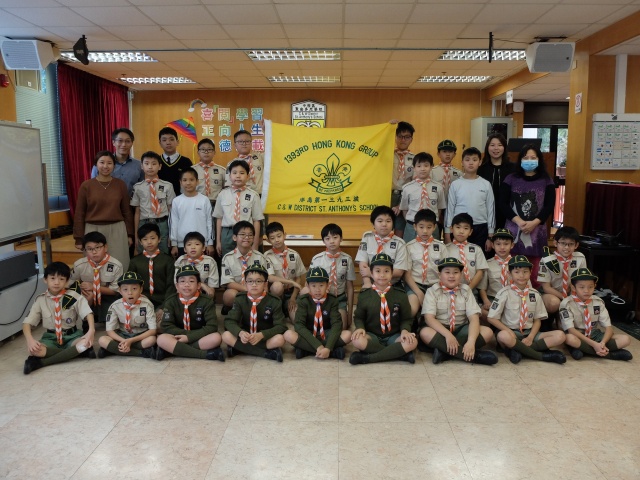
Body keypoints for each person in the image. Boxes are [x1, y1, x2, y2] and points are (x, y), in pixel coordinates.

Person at [487, 255, 566, 364]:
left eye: (525, 272)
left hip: (529, 332)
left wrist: (531, 337)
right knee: (502, 336)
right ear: (509, 274)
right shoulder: (504, 293)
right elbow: (491, 318)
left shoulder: (535, 294)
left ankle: (517, 350)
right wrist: (508, 331)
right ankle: (541, 356)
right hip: (512, 333)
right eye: (517, 272)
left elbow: (537, 320)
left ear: (530, 273)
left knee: (560, 336)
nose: (521, 275)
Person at [420, 257, 498, 365]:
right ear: (439, 275)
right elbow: (429, 319)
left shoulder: (466, 291)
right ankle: (475, 356)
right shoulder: (432, 291)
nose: (451, 276)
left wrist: (471, 342)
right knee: (425, 333)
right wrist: (448, 335)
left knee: (488, 332)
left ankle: (443, 352)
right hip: (441, 330)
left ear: (461, 275)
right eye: (447, 272)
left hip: (461, 330)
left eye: (456, 272)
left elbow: (474, 319)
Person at [22, 262, 96, 375]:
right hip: (51, 338)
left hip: (72, 336)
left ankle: (42, 362)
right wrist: (30, 340)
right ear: (45, 279)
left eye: (61, 279)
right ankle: (72, 353)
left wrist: (91, 330)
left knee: (85, 344)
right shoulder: (40, 300)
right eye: (52, 278)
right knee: (35, 350)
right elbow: (27, 323)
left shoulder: (74, 297)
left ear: (67, 281)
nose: (57, 282)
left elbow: (88, 313)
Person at [500, 143, 555, 281]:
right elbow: (502, 203)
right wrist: (519, 221)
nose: (529, 160)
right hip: (514, 230)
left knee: (534, 273)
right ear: (520, 160)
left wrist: (534, 223)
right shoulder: (510, 178)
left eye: (533, 157)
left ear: (539, 159)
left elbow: (549, 205)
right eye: (526, 158)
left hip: (537, 231)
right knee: (513, 271)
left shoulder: (546, 180)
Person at [349, 253, 417, 365]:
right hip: (372, 335)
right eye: (378, 271)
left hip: (394, 336)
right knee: (357, 340)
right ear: (371, 273)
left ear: (391, 274)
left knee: (412, 342)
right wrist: (360, 328)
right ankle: (399, 354)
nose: (382, 275)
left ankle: (368, 358)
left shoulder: (400, 295)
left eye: (386, 271)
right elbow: (359, 317)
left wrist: (405, 330)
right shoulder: (364, 295)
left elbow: (406, 318)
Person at [74, 150, 134, 271]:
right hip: (92, 229)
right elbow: (80, 213)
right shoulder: (86, 185)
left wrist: (129, 234)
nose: (105, 166)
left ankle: (119, 284)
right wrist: (79, 238)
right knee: (93, 266)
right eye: (102, 162)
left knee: (120, 263)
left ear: (114, 165)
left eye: (109, 163)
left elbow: (126, 211)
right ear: (96, 164)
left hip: (117, 229)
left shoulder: (120, 185)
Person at [155, 265, 224, 361]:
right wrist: (185, 335)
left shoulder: (207, 301)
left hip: (199, 336)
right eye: (182, 281)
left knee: (216, 338)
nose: (187, 284)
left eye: (191, 281)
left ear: (198, 285)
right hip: (177, 336)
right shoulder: (171, 301)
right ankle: (205, 355)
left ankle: (173, 350)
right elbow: (166, 325)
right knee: (161, 339)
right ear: (177, 286)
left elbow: (212, 326)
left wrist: (189, 337)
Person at [561, 268, 632, 361]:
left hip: (594, 334)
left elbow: (609, 328)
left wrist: (602, 343)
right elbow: (571, 330)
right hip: (578, 334)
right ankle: (611, 355)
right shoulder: (567, 303)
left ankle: (584, 350)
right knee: (569, 338)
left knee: (626, 339)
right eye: (582, 287)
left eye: (590, 287)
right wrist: (594, 344)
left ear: (595, 286)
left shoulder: (598, 302)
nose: (586, 290)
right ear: (573, 287)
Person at [222, 264, 287, 362]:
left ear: (265, 284)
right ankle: (266, 353)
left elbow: (281, 326)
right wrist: (240, 333)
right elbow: (229, 321)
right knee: (226, 335)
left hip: (264, 337)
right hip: (245, 337)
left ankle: (238, 349)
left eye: (258, 281)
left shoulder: (274, 301)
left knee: (280, 339)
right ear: (245, 284)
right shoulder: (240, 299)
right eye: (250, 281)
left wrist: (262, 335)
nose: (254, 284)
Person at [285, 267, 351, 359]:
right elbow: (299, 326)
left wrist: (328, 347)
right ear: (307, 286)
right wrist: (318, 346)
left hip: (326, 333)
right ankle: (332, 352)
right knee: (288, 334)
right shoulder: (303, 301)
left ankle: (307, 350)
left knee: (348, 335)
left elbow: (336, 325)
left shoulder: (332, 300)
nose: (317, 290)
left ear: (327, 285)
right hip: (309, 333)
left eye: (321, 285)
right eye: (313, 286)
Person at [445, 146, 495, 251]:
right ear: (462, 162)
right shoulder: (456, 184)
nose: (471, 163)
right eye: (467, 160)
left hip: (481, 228)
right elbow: (450, 210)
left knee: (478, 258)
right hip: (460, 228)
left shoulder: (486, 184)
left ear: (480, 162)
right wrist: (447, 232)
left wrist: (490, 235)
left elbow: (491, 210)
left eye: (474, 160)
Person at [97, 272, 157, 359]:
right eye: (125, 289)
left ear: (141, 289)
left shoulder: (147, 305)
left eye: (134, 288)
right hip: (122, 335)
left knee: (151, 340)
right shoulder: (115, 306)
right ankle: (141, 352)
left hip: (140, 335)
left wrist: (131, 341)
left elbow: (152, 330)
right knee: (102, 340)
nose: (130, 293)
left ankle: (113, 350)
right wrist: (124, 341)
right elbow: (110, 331)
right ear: (120, 291)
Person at [69, 231, 123, 325]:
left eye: (97, 247)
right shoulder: (79, 265)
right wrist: (81, 288)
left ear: (105, 247)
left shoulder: (116, 265)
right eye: (89, 249)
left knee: (110, 321)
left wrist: (93, 287)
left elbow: (115, 291)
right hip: (88, 294)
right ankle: (86, 321)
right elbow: (70, 283)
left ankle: (103, 317)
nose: (94, 252)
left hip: (108, 296)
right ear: (85, 250)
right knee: (87, 295)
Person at [308, 223, 356, 330]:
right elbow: (308, 284)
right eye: (327, 238)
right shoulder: (317, 259)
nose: (332, 241)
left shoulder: (347, 259)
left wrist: (349, 314)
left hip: (339, 299)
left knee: (342, 327)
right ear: (323, 241)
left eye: (335, 237)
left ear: (341, 239)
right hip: (321, 298)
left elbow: (350, 287)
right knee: (316, 325)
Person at [220, 221, 275, 313]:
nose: (246, 237)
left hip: (257, 290)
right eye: (242, 234)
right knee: (229, 294)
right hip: (238, 291)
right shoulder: (227, 258)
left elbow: (266, 278)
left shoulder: (260, 257)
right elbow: (228, 282)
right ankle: (233, 310)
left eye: (250, 235)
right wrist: (247, 289)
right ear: (234, 237)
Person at [214, 159, 264, 258]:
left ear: (248, 176)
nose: (238, 176)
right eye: (234, 173)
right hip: (227, 233)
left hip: (246, 234)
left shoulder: (253, 195)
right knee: (228, 260)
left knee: (247, 260)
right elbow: (219, 218)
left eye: (242, 173)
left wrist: (255, 244)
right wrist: (218, 241)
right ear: (229, 176)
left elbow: (256, 220)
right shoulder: (222, 194)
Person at [403, 209, 446, 319]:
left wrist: (439, 288)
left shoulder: (441, 247)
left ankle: (425, 326)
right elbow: (407, 274)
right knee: (412, 309)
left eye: (429, 227)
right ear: (415, 227)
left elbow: (445, 271)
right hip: (415, 285)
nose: (425, 231)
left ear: (434, 227)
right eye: (421, 227)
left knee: (438, 311)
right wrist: (418, 292)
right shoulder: (409, 247)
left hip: (436, 285)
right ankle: (409, 326)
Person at [127, 223, 176, 320]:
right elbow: (130, 285)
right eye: (145, 239)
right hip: (141, 302)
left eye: (152, 238)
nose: (149, 242)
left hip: (163, 302)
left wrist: (163, 307)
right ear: (140, 242)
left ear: (159, 239)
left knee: (163, 322)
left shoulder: (168, 260)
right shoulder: (135, 261)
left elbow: (171, 287)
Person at [130, 151, 175, 254]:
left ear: (160, 166)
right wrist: (136, 235)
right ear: (142, 166)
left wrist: (172, 234)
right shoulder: (137, 187)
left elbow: (171, 210)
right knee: (144, 253)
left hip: (162, 224)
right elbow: (137, 212)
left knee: (163, 252)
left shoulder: (168, 186)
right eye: (146, 163)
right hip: (144, 223)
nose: (150, 167)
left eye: (154, 164)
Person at [537, 226, 586, 320]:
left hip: (571, 293)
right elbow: (546, 288)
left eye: (571, 244)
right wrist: (565, 298)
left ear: (576, 245)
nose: (566, 247)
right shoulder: (547, 260)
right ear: (555, 243)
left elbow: (582, 281)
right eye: (563, 243)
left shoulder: (580, 258)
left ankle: (563, 319)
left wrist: (575, 297)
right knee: (554, 303)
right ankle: (549, 319)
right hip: (551, 293)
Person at [356, 205, 409, 289]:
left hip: (392, 285)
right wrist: (367, 282)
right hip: (370, 283)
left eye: (388, 221)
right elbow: (363, 264)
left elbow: (399, 271)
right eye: (380, 221)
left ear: (393, 223)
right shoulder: (367, 238)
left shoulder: (400, 243)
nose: (384, 224)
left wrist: (373, 273)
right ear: (373, 223)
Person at [263, 222, 306, 321]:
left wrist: (293, 298)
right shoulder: (267, 256)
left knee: (296, 319)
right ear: (268, 240)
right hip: (276, 294)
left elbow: (298, 278)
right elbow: (270, 277)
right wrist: (290, 281)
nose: (277, 240)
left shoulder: (294, 254)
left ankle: (288, 309)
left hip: (291, 293)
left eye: (279, 236)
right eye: (272, 238)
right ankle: (276, 308)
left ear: (285, 235)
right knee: (277, 286)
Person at [400, 152, 446, 242]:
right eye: (419, 166)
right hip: (412, 227)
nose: (422, 169)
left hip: (431, 227)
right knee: (410, 249)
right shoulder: (407, 188)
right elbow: (404, 209)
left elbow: (439, 208)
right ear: (414, 167)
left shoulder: (439, 187)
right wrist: (414, 223)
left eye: (426, 165)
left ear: (431, 167)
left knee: (433, 250)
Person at [169, 167, 213, 258]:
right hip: (182, 245)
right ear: (180, 182)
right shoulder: (176, 201)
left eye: (191, 180)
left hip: (202, 244)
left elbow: (210, 222)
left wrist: (210, 243)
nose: (188, 183)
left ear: (197, 182)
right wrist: (174, 244)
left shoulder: (204, 200)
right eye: (185, 180)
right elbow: (173, 223)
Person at [479, 133, 515, 232]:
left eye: (499, 145)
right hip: (485, 214)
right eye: (492, 145)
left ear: (504, 148)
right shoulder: (481, 169)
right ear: (487, 147)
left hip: (508, 213)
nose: (496, 148)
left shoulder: (513, 168)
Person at [91, 128, 143, 196]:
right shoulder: (100, 165)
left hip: (131, 202)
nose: (124, 144)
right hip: (106, 202)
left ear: (132, 143)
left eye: (127, 141)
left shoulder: (139, 165)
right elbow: (94, 187)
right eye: (120, 141)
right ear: (113, 142)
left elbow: (142, 189)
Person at [444, 213, 488, 290]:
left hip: (471, 290)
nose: (461, 231)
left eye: (466, 228)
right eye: (458, 227)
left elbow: (480, 272)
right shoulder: (444, 249)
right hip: (448, 289)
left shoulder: (477, 249)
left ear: (470, 232)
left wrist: (468, 289)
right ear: (451, 229)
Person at [479, 228, 514, 319]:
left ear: (512, 245)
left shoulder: (517, 264)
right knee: (482, 311)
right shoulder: (487, 264)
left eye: (506, 244)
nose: (502, 247)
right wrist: (486, 301)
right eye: (498, 244)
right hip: (494, 299)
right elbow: (482, 288)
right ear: (493, 245)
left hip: (514, 297)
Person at [431, 139, 462, 233]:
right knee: (435, 233)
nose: (447, 154)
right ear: (438, 154)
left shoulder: (459, 173)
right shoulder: (432, 172)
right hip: (436, 208)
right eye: (444, 151)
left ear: (455, 154)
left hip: (452, 208)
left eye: (450, 151)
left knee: (450, 234)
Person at [174, 231, 218, 298]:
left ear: (203, 248)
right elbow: (177, 283)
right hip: (185, 292)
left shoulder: (210, 262)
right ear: (185, 249)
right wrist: (200, 284)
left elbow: (211, 289)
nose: (193, 247)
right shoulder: (181, 261)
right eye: (189, 244)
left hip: (203, 294)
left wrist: (202, 287)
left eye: (197, 244)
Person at [391, 121, 415, 237]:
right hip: (386, 195)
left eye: (407, 137)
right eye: (400, 136)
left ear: (411, 139)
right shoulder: (386, 155)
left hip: (405, 196)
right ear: (395, 137)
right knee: (383, 226)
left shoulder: (415, 159)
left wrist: (402, 204)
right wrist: (388, 127)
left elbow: (415, 183)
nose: (403, 140)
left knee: (399, 229)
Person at [158, 126, 193, 197]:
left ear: (177, 142)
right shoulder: (156, 161)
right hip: (161, 199)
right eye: (164, 140)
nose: (168, 143)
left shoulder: (186, 162)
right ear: (160, 143)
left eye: (171, 139)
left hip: (182, 199)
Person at [226, 129, 264, 195]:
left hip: (262, 195)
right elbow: (229, 186)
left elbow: (272, 149)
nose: (244, 144)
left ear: (251, 143)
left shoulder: (260, 157)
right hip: (243, 196)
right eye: (240, 141)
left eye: (247, 141)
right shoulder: (231, 164)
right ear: (235, 145)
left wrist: (266, 130)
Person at [192, 138, 225, 208]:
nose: (206, 152)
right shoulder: (192, 170)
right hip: (197, 204)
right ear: (198, 153)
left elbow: (226, 189)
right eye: (203, 149)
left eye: (209, 149)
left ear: (214, 152)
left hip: (216, 204)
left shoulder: (222, 170)